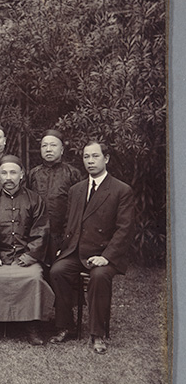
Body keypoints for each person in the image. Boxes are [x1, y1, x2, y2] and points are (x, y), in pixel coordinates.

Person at [49, 141, 135, 354]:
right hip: (77, 252)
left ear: (106, 159)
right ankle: (65, 326)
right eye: (86, 157)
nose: (90, 161)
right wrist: (65, 248)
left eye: (95, 156)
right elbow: (71, 222)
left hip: (105, 255)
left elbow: (124, 230)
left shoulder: (121, 190)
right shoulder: (76, 190)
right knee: (57, 271)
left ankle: (97, 334)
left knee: (98, 276)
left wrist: (106, 257)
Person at [0, 155, 53, 345]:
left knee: (33, 278)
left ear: (22, 175)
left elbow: (41, 229)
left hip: (26, 256)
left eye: (13, 173)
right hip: (0, 256)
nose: (9, 177)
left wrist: (32, 255)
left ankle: (32, 324)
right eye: (4, 173)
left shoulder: (35, 200)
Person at [26, 129, 83, 263]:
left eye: (53, 145)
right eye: (44, 146)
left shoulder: (73, 174)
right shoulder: (33, 174)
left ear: (62, 149)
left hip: (62, 234)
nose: (48, 149)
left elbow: (78, 208)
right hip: (37, 234)